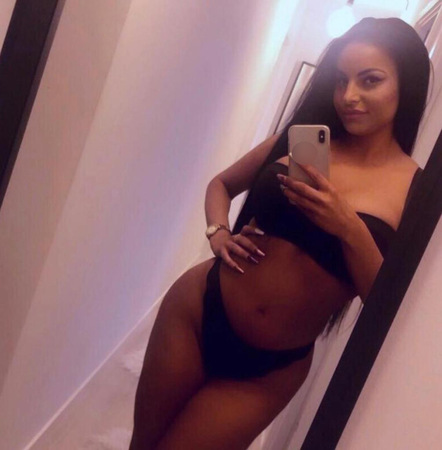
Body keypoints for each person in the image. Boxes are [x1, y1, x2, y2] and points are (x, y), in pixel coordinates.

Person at [129, 17, 430, 449]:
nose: (349, 96)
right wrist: (219, 233)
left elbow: (386, 307)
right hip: (197, 308)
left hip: (271, 369)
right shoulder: (301, 143)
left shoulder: (417, 192)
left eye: (370, 80)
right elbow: (221, 184)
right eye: (341, 80)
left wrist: (349, 227)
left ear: (406, 84)